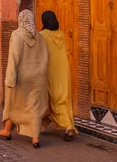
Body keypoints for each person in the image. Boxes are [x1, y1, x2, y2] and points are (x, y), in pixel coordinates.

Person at [0, 9, 49, 149]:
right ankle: (35, 139)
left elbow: (14, 57)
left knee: (12, 103)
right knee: (34, 107)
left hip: (21, 77)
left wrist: (10, 79)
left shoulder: (17, 35)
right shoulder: (40, 37)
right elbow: (45, 57)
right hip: (38, 78)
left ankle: (7, 131)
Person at [39, 10, 78, 141]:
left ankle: (68, 127)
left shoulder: (42, 35)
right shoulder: (61, 34)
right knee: (61, 99)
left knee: (55, 100)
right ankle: (42, 126)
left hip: (50, 73)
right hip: (63, 73)